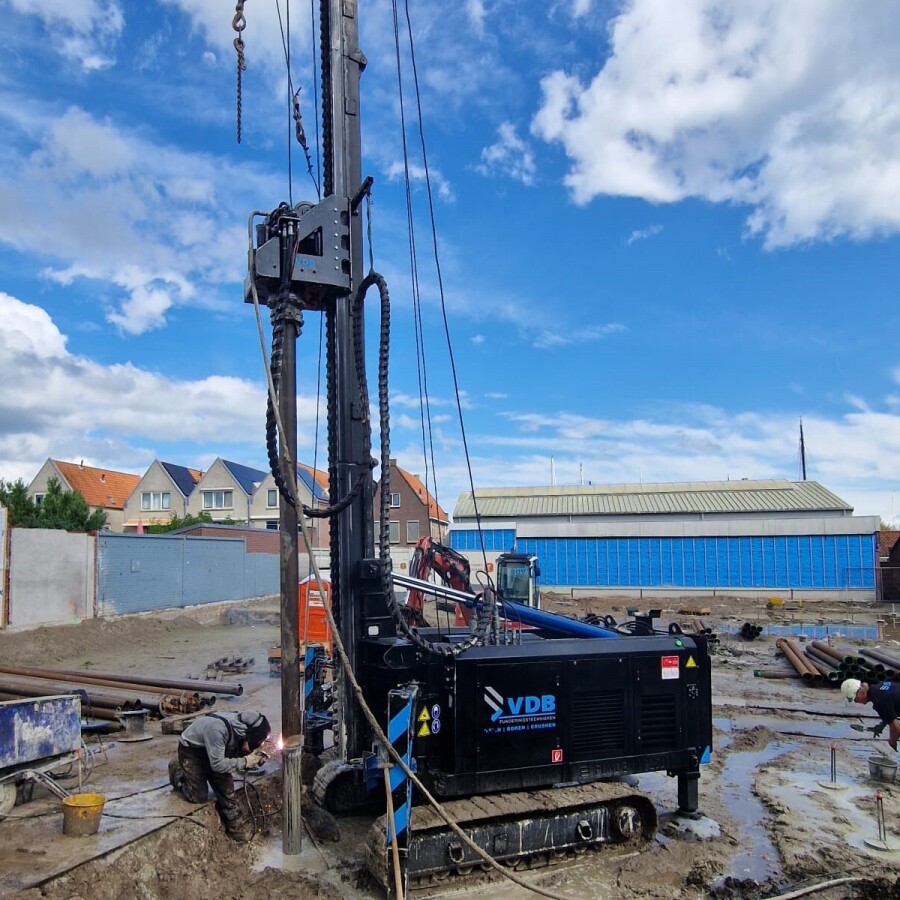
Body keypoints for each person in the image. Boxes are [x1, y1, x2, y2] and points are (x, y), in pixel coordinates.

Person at [168, 710, 271, 841]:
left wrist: (251, 754)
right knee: (198, 796)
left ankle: (236, 831)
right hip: (192, 751)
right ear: (249, 733)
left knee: (227, 792)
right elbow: (217, 765)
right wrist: (245, 761)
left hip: (215, 750)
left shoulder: (240, 727)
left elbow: (235, 749)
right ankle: (178, 772)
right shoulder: (218, 729)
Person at [842, 678, 900, 750]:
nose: (856, 702)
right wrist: (881, 726)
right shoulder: (879, 687)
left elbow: (896, 727)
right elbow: (890, 709)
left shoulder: (879, 700)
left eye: (855, 699)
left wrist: (892, 741)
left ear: (860, 692)